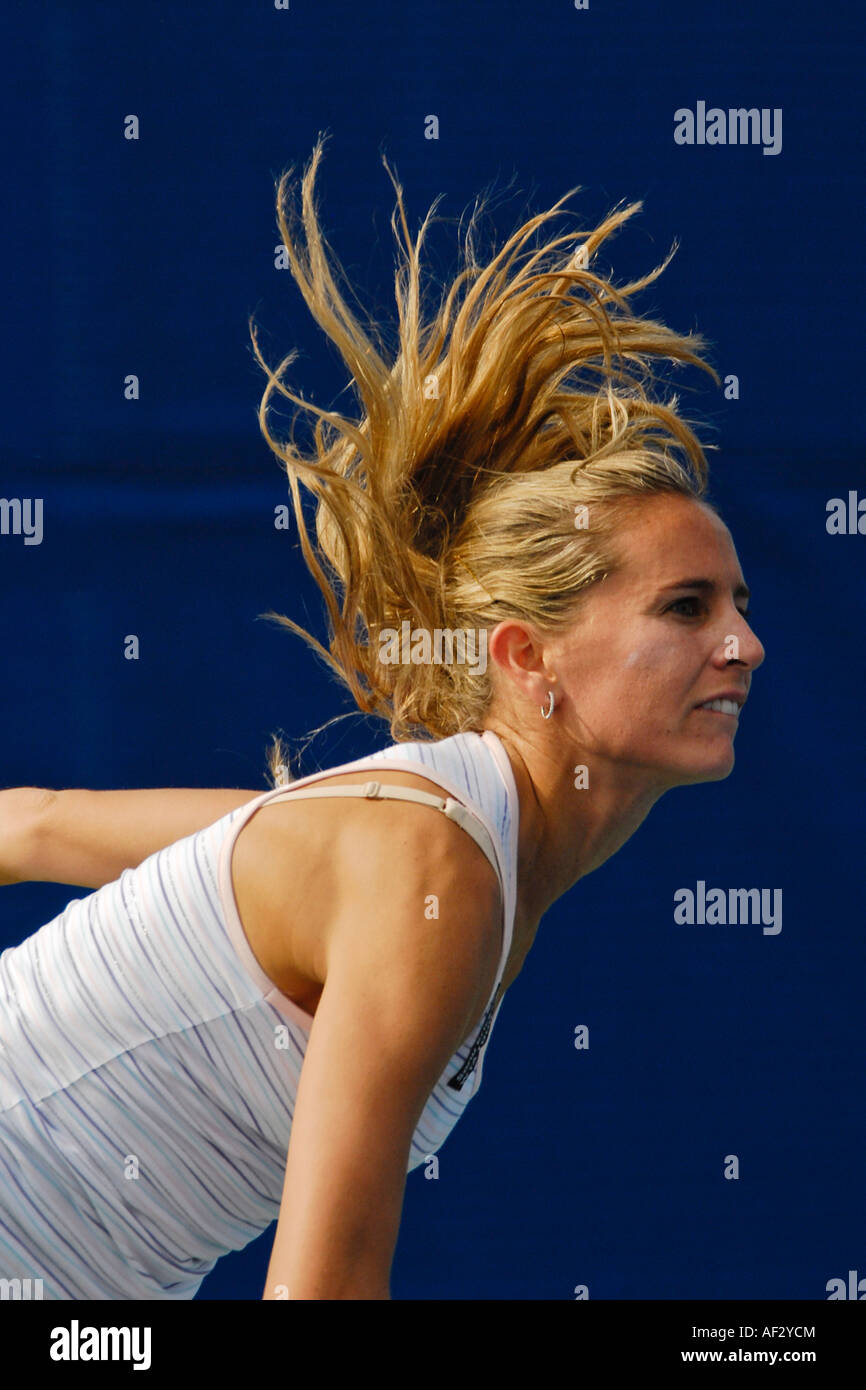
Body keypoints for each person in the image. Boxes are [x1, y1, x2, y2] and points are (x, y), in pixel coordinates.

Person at [0, 136, 764, 1300]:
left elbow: (35, 826)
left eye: (738, 605)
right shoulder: (435, 865)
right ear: (528, 658)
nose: (741, 643)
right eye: (684, 607)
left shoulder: (397, 844)